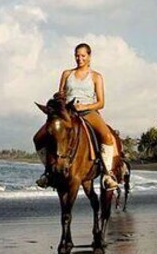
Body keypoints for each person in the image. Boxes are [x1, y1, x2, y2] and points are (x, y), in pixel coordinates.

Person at [36, 43, 118, 191]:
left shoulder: (96, 77)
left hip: (88, 112)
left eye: (83, 56)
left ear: (89, 57)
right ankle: (48, 172)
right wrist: (59, 102)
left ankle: (107, 174)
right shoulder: (67, 74)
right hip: (68, 112)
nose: (79, 59)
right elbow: (60, 94)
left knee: (106, 136)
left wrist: (85, 106)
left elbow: (101, 103)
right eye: (77, 55)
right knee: (39, 137)